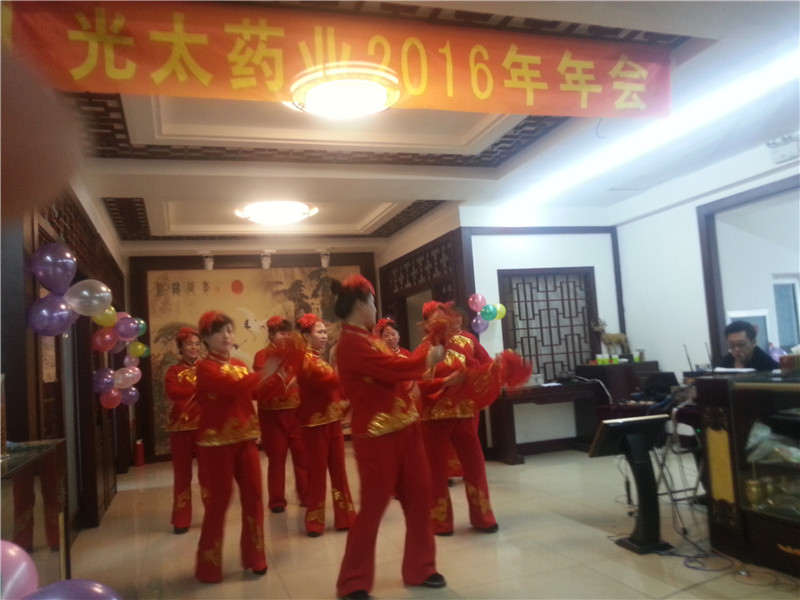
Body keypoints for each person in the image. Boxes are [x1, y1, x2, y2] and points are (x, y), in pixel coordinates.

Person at [332, 275, 447, 600]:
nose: (375, 307)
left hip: (407, 428)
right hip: (376, 437)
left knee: (420, 499)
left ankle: (421, 567)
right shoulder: (350, 344)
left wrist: (425, 355)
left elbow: (399, 369)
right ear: (360, 304)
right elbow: (394, 369)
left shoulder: (371, 340)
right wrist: (428, 355)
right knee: (373, 508)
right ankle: (352, 581)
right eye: (372, 301)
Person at [194, 310, 278, 583]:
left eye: (229, 330)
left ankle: (256, 557)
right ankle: (208, 565)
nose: (226, 336)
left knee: (254, 498)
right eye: (219, 331)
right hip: (216, 445)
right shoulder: (205, 368)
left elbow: (254, 392)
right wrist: (265, 372)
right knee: (218, 503)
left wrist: (278, 377)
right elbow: (232, 388)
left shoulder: (240, 365)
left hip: (246, 441)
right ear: (206, 338)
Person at [417, 301, 499, 536]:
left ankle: (483, 518)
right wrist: (446, 381)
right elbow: (418, 384)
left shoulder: (468, 341)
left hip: (464, 415)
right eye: (435, 317)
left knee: (475, 466)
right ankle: (440, 522)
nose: (441, 320)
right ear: (426, 324)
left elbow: (486, 367)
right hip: (433, 418)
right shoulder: (424, 349)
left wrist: (497, 367)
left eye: (444, 315)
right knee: (436, 471)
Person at [295, 313, 357, 537]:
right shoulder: (304, 360)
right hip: (313, 426)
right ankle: (314, 521)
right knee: (317, 474)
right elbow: (329, 383)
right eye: (319, 332)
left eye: (324, 332)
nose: (324, 336)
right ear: (306, 336)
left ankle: (345, 517)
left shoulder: (318, 358)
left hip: (332, 422)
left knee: (339, 471)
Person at [252, 316, 308, 513]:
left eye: (288, 333)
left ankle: (306, 495)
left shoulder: (297, 354)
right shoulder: (262, 355)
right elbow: (260, 384)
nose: (286, 337)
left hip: (296, 413)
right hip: (272, 416)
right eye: (282, 333)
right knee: (276, 459)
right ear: (271, 335)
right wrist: (278, 376)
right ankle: (276, 500)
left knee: (302, 456)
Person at [163, 326, 202, 534]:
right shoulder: (173, 371)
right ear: (181, 347)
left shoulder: (207, 367)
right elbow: (173, 393)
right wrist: (199, 389)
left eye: (197, 344)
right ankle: (181, 519)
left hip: (206, 427)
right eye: (189, 344)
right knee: (182, 474)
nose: (194, 348)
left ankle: (213, 515)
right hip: (180, 428)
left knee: (208, 474)